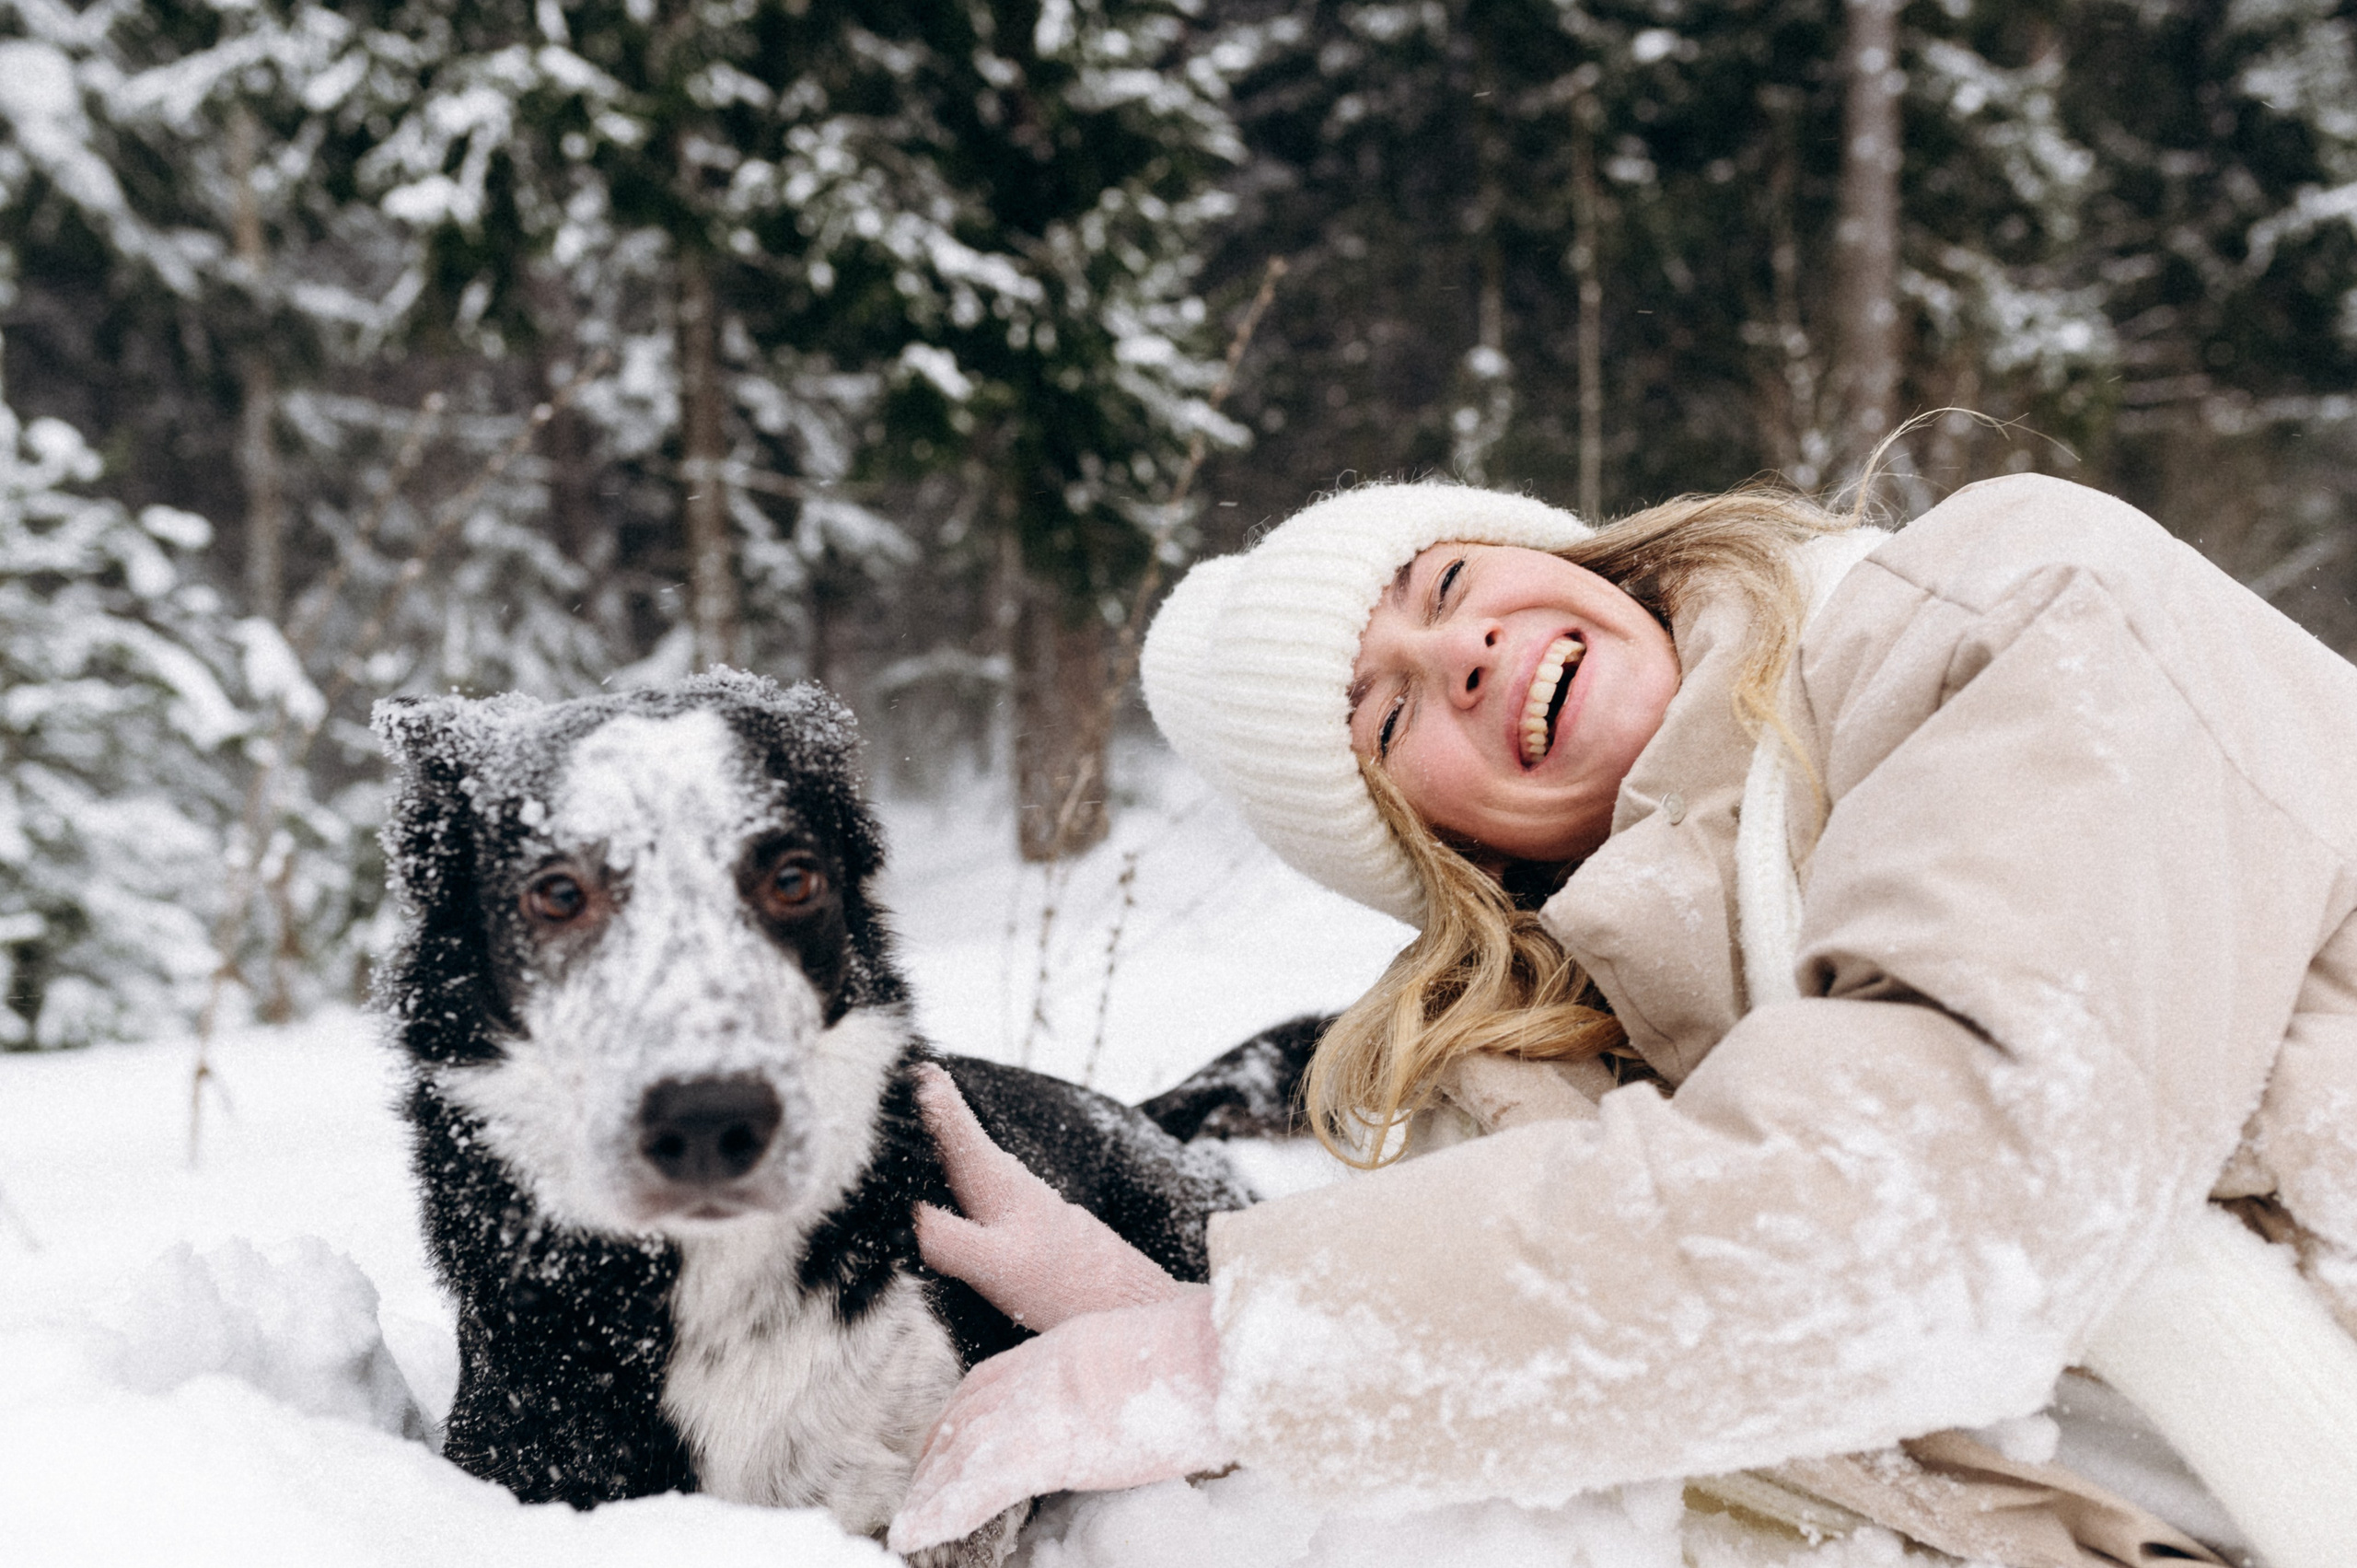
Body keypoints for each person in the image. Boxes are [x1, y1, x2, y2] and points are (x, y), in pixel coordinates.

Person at [886, 474, 2357, 1566]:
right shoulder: (1565, 1125)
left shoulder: (2016, 601)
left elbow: (1957, 1192)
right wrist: (1185, 1338)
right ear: (1431, 850)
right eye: (1387, 718)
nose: (1455, 652)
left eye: (1449, 578)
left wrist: (1246, 1356)